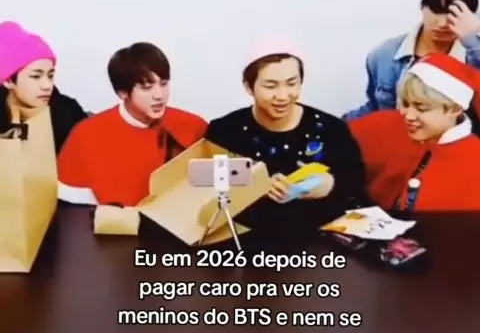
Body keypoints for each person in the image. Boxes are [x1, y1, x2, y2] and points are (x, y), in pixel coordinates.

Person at [205, 40, 366, 235]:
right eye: (270, 86)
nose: (283, 96)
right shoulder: (224, 130)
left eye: (292, 83)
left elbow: (356, 178)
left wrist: (330, 184)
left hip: (322, 236)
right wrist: (256, 185)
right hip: (247, 237)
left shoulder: (330, 128)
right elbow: (206, 187)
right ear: (248, 87)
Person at [58, 42, 207, 207]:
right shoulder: (87, 135)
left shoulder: (194, 126)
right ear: (122, 93)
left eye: (163, 84)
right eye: (146, 88)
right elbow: (71, 208)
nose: (159, 95)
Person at [344, 0, 480, 128]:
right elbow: (376, 108)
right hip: (401, 142)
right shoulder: (385, 56)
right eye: (435, 10)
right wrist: (333, 127)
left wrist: (473, 41)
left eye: (454, 13)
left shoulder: (474, 55)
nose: (442, 23)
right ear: (422, 6)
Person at [348, 53, 480, 211]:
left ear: (454, 109)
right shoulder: (385, 124)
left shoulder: (473, 162)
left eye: (421, 108)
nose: (408, 116)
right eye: (405, 104)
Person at [0, 21, 87, 153]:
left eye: (50, 76)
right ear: (8, 81)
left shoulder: (68, 113)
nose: (47, 86)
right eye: (36, 76)